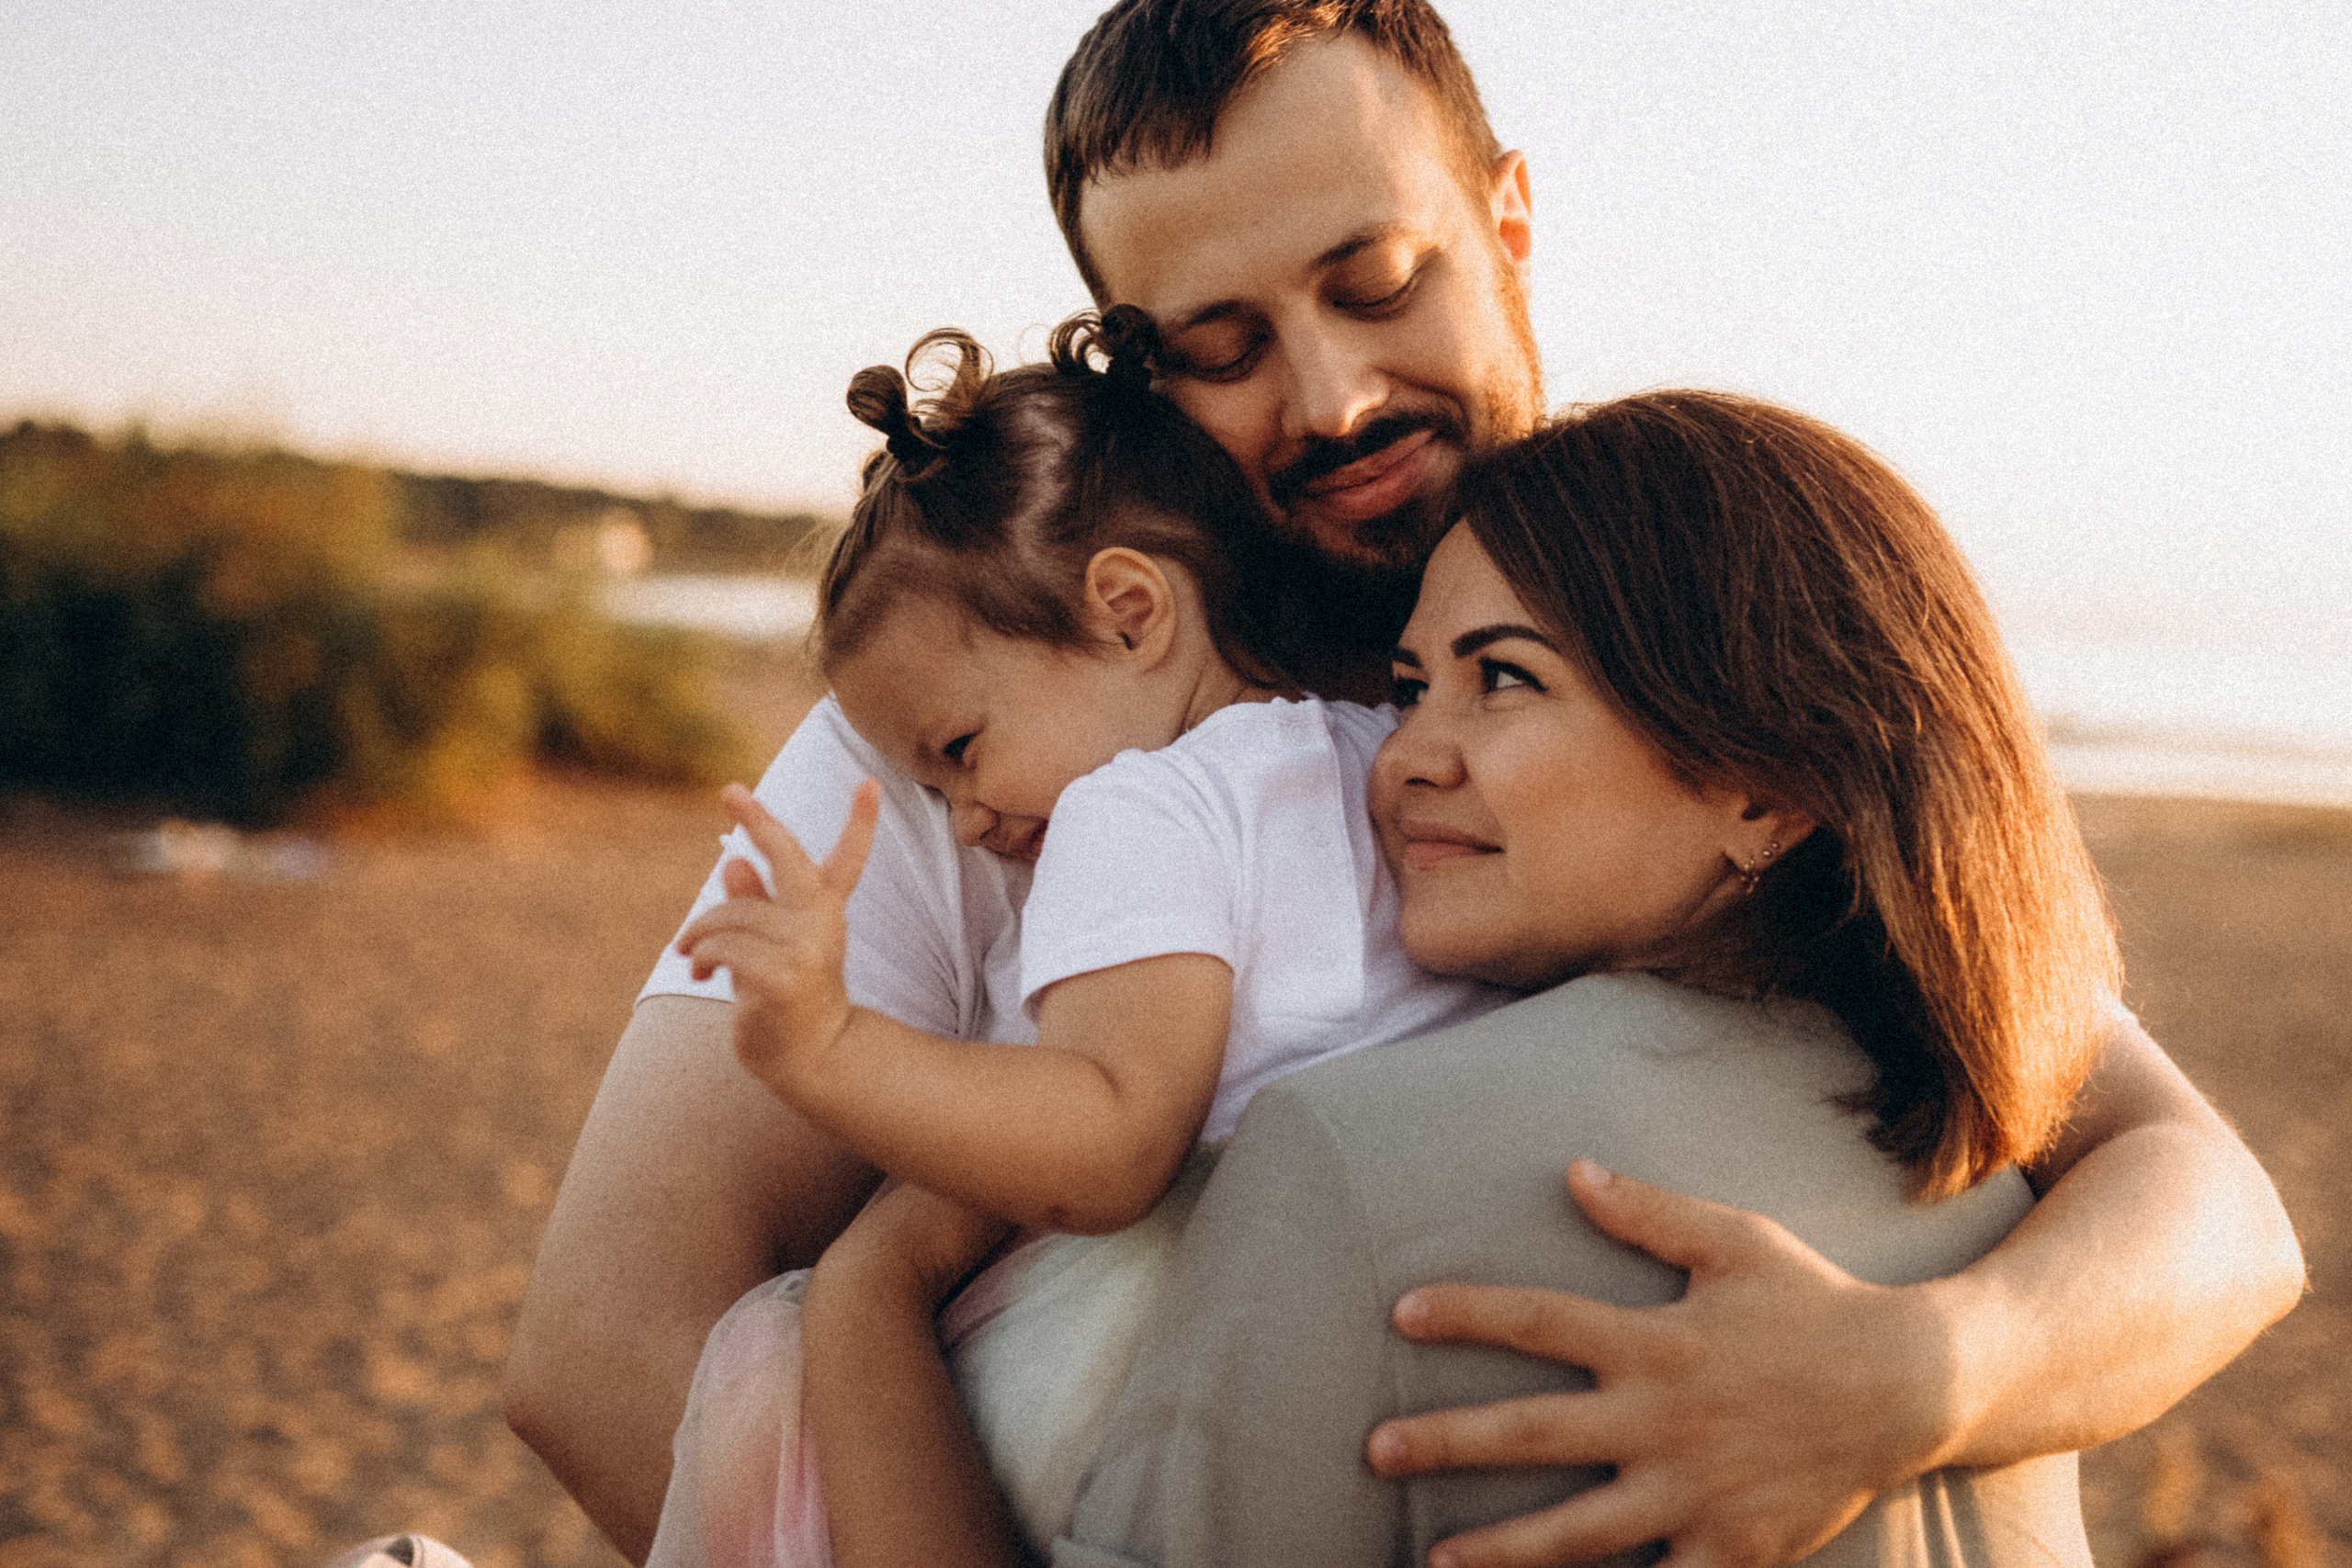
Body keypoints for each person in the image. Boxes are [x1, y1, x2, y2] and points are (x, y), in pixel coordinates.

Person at [503, 6, 2305, 1563]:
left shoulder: (1664, 624)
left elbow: (2195, 1195)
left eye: (1376, 284)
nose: (1334, 396)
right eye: (1220, 348)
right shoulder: (990, 730)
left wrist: (1922, 1373)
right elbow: (607, 1342)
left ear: (1505, 222)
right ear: (1131, 366)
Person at [796, 390, 2133, 1567]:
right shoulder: (2003, 1160)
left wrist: (867, 1290)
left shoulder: (1353, 1167)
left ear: (1760, 787)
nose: (1402, 758)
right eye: (1407, 685)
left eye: (1501, 679)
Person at [643, 311, 1509, 1568]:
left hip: (1134, 1381)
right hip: (1381, 1371)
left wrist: (827, 1046)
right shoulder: (1382, 756)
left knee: (784, 1355)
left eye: (960, 750)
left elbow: (1107, 1143)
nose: (967, 820)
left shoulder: (1137, 810)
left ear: (1127, 611)